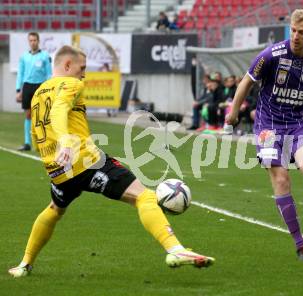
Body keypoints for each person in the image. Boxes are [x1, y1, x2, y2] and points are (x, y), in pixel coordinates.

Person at [8, 46, 214, 278]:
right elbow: (59, 110)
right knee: (144, 196)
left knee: (55, 209)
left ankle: (24, 264)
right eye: (81, 68)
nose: (84, 74)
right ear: (67, 65)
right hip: (85, 161)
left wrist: (52, 157)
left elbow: (38, 134)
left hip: (57, 168)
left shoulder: (38, 93)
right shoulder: (72, 84)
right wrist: (66, 141)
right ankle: (175, 249)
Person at [225, 9, 303, 261]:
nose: (296, 36)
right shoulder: (271, 55)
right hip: (268, 126)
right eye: (293, 31)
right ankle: (299, 243)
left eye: (302, 32)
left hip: (298, 123)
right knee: (282, 179)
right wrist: (233, 112)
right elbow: (246, 82)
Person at [16, 32, 52, 151]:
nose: (33, 42)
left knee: (41, 115)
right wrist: (18, 90)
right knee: (28, 115)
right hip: (27, 86)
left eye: (35, 40)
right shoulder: (24, 57)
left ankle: (42, 143)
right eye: (31, 40)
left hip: (40, 86)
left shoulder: (45, 56)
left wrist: (48, 89)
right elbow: (20, 74)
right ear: (28, 42)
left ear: (38, 41)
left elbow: (48, 74)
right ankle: (27, 143)